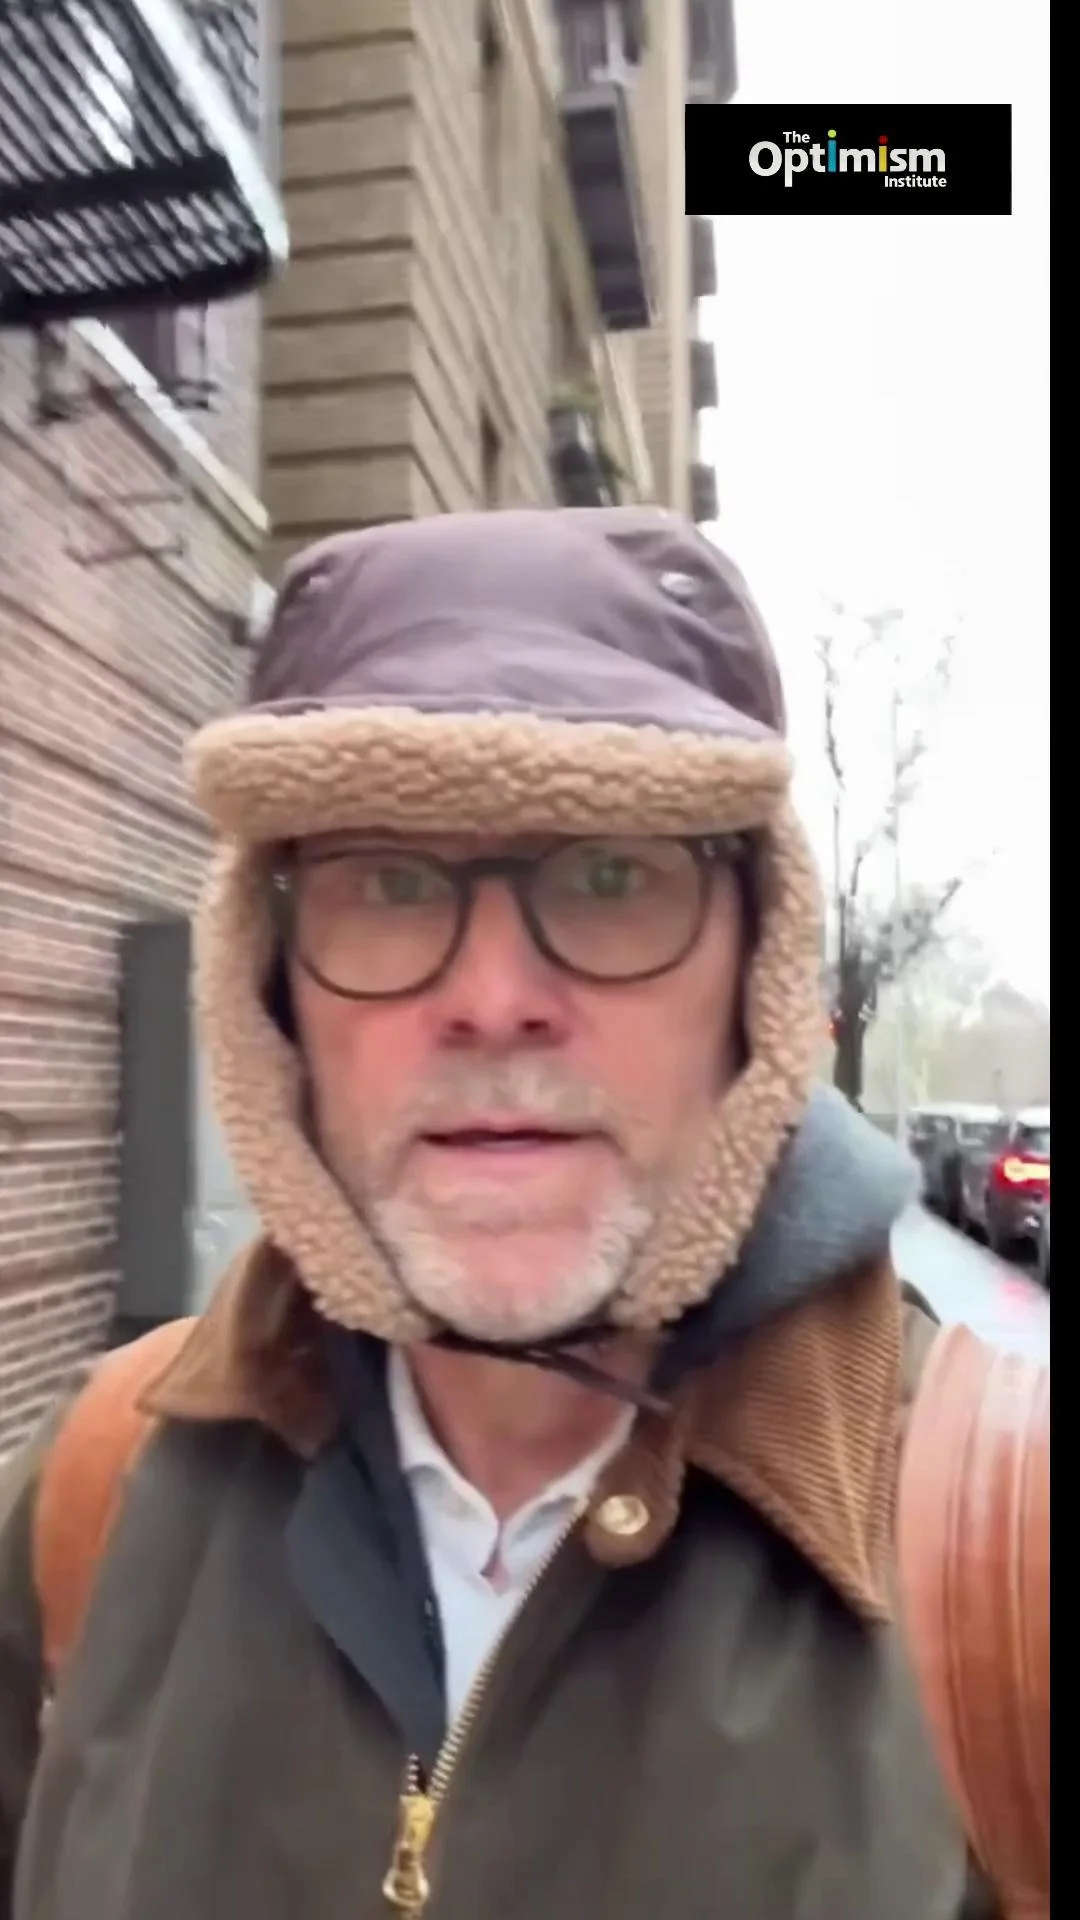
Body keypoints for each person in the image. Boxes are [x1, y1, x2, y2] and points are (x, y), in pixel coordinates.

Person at [0, 508, 1000, 1918]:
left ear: (756, 984)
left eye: (610, 876)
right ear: (271, 993)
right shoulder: (96, 1498)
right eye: (389, 884)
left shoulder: (1006, 1566)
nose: (490, 1000)